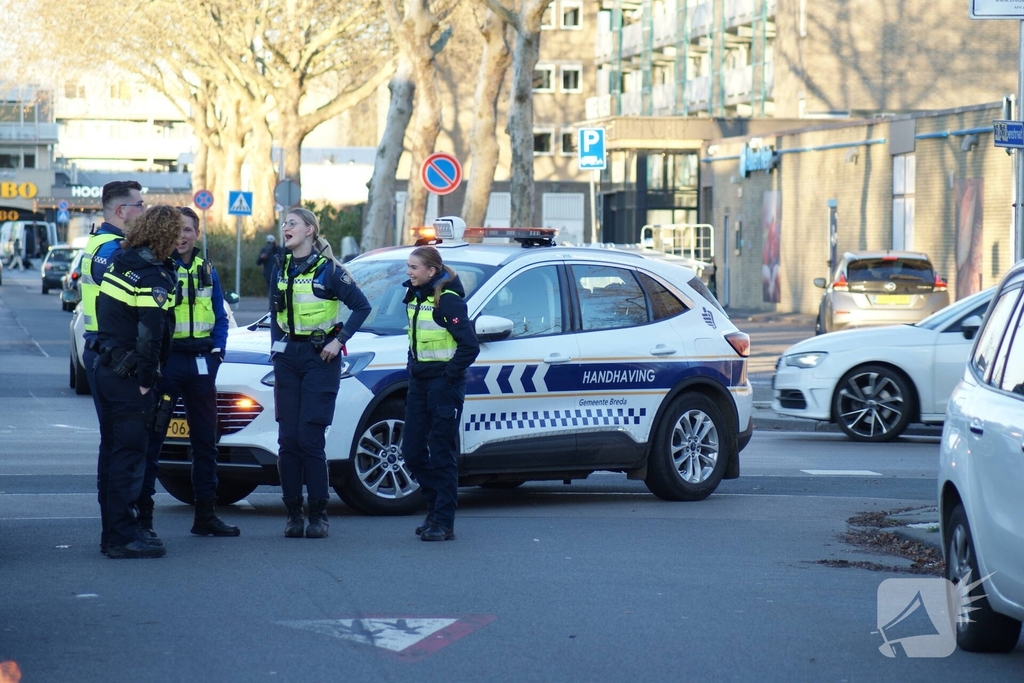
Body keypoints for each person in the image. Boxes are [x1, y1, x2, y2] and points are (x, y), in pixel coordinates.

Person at [270, 208, 371, 538]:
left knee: (309, 439)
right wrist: (276, 348)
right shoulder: (280, 266)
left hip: (320, 360)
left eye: (293, 223)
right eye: (285, 223)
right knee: (287, 440)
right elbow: (275, 312)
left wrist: (338, 340)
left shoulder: (330, 271)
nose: (286, 228)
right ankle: (292, 513)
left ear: (310, 231)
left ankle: (318, 514)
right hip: (288, 357)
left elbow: (362, 306)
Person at [139, 206, 238, 541]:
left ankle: (206, 516)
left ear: (198, 234)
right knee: (154, 440)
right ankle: (144, 520)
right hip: (169, 364)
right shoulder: (157, 266)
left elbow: (220, 315)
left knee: (205, 441)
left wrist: (217, 351)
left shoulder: (207, 269)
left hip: (201, 364)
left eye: (188, 230)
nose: (182, 236)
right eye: (177, 230)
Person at [94, 205, 181, 559]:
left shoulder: (122, 262)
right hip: (130, 378)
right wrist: (146, 380)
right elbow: (150, 334)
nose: (179, 239)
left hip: (107, 369)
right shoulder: (152, 275)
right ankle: (123, 538)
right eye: (175, 233)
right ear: (164, 235)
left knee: (112, 457)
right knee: (129, 460)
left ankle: (112, 533)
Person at [401, 227, 479, 542]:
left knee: (441, 453)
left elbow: (469, 346)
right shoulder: (414, 295)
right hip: (419, 383)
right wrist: (413, 368)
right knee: (412, 452)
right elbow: (414, 339)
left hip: (443, 386)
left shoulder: (447, 300)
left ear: (431, 271)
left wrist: (448, 376)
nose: (409, 273)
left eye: (414, 268)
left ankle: (444, 521)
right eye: (408, 267)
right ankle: (434, 510)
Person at [80, 180, 145, 554]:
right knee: (126, 448)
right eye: (140, 204)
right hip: (116, 357)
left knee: (114, 446)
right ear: (121, 211)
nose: (145, 210)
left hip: (101, 352)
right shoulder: (112, 252)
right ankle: (121, 534)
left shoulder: (97, 244)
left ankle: (115, 532)